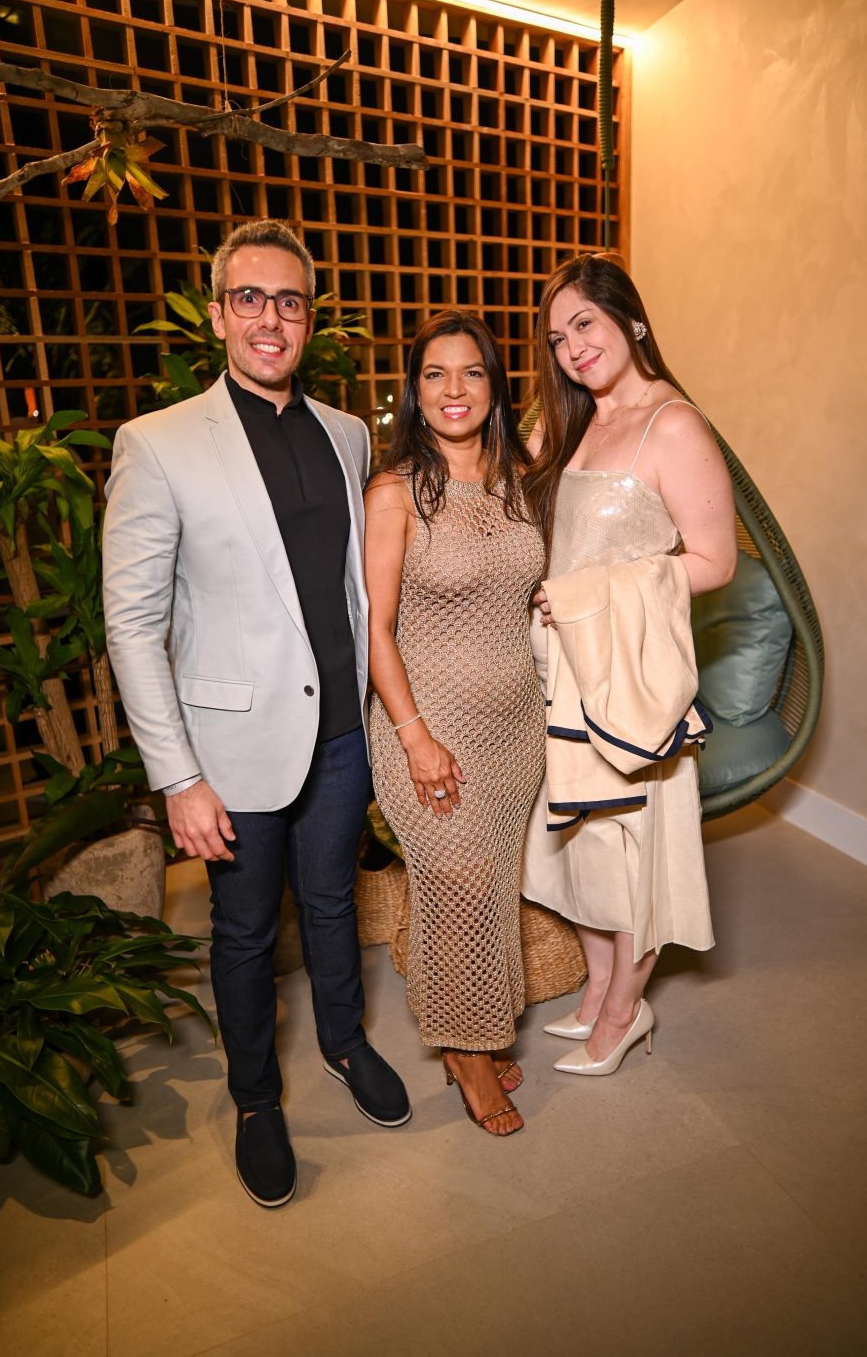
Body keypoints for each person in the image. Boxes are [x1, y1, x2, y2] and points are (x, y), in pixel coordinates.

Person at [102, 218, 410, 1208]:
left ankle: (344, 1041)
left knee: (330, 905)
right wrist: (178, 774)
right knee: (241, 931)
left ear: (308, 318)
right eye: (250, 297)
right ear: (216, 310)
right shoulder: (156, 443)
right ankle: (253, 1098)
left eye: (289, 300)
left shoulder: (347, 431)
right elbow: (131, 620)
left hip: (340, 737)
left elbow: (361, 588)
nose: (269, 317)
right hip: (230, 744)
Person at [521, 252, 737, 1076]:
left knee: (631, 851)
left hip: (625, 676)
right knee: (575, 844)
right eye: (556, 336)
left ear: (630, 319)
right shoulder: (569, 420)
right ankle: (601, 980)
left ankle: (624, 1012)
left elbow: (714, 560)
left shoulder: (671, 423)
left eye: (585, 323)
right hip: (558, 670)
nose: (573, 348)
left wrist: (592, 592)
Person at [364, 311, 545, 1136]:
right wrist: (415, 738)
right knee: (455, 885)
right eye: (435, 374)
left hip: (515, 728)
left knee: (493, 883)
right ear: (414, 390)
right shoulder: (395, 491)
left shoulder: (521, 475)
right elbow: (374, 628)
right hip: (426, 728)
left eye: (471, 372)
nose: (454, 390)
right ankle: (466, 1055)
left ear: (495, 385)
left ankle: (479, 1024)